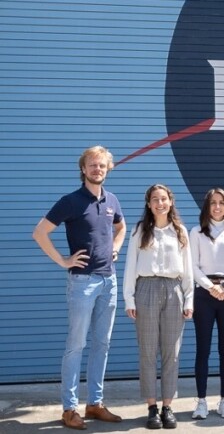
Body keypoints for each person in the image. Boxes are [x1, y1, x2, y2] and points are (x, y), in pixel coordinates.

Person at [33, 145, 126, 430]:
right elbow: (40, 232)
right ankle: (69, 409)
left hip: (108, 281)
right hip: (82, 282)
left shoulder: (112, 200)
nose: (97, 169)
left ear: (108, 169)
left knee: (102, 344)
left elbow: (121, 228)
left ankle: (95, 404)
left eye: (101, 165)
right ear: (83, 169)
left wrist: (115, 249)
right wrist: (63, 260)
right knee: (76, 346)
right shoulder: (70, 201)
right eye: (92, 165)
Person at [123, 184, 194, 429]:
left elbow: (188, 270)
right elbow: (130, 266)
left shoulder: (180, 231)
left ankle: (168, 407)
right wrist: (129, 299)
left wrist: (189, 299)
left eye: (164, 199)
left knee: (171, 353)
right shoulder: (140, 230)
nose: (160, 203)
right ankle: (152, 407)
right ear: (149, 203)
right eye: (155, 199)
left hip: (174, 291)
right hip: (146, 289)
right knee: (148, 351)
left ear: (171, 202)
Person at [190, 188, 224, 420]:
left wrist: (223, 286)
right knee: (203, 350)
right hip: (203, 295)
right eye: (213, 203)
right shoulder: (196, 232)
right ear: (207, 206)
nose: (217, 207)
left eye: (221, 203)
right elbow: (192, 266)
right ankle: (201, 401)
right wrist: (209, 286)